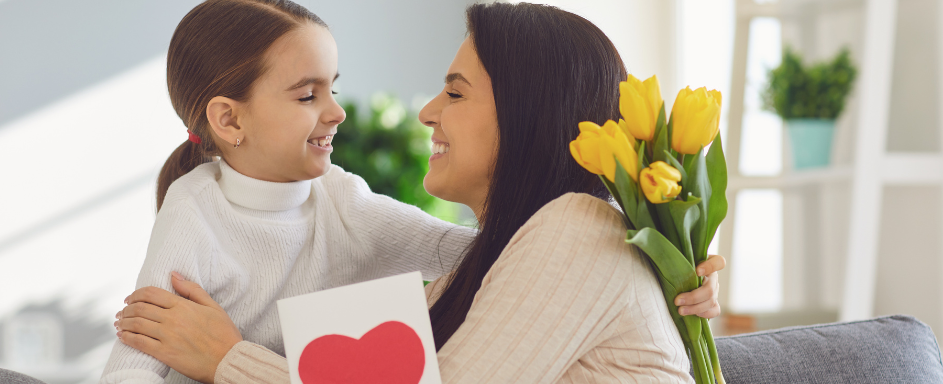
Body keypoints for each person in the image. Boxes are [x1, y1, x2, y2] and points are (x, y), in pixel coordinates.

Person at [114, 2, 726, 383]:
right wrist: (666, 266)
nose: (428, 112)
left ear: (527, 114)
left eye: (456, 93)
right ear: (227, 121)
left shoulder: (577, 228)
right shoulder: (545, 248)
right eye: (307, 94)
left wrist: (229, 360)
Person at [99, 1, 480, 383]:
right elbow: (130, 368)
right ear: (230, 120)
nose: (337, 112)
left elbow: (486, 253)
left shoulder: (345, 201)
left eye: (332, 88)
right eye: (307, 96)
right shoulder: (192, 212)